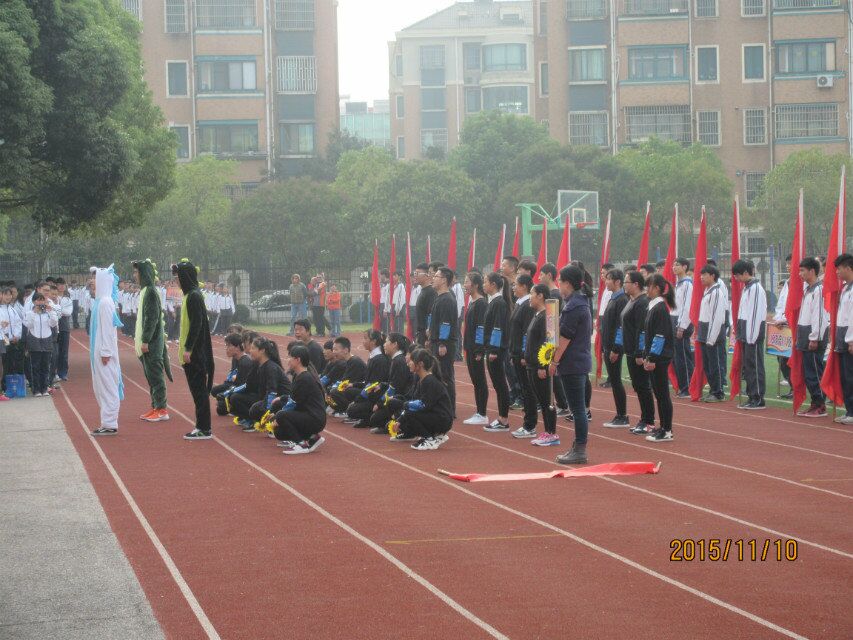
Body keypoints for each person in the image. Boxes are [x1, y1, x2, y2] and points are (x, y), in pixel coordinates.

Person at [549, 265, 592, 464]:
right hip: (578, 361)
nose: (559, 284)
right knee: (578, 408)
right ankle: (578, 447)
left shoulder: (573, 307)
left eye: (560, 281)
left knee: (578, 410)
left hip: (573, 363)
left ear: (567, 283)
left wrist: (554, 361)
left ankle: (580, 449)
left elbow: (565, 339)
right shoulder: (580, 302)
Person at [171, 260, 215, 440]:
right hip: (192, 352)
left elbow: (196, 324)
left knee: (199, 391)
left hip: (196, 353)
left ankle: (204, 428)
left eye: (179, 277)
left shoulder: (194, 296)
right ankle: (201, 426)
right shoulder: (190, 295)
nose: (177, 281)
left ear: (186, 277)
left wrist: (188, 348)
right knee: (197, 391)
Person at [131, 260, 172, 422]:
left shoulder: (151, 293)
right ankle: (155, 406)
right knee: (151, 378)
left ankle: (162, 409)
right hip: (148, 343)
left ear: (144, 274)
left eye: (137, 272)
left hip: (152, 344)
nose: (134, 275)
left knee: (156, 377)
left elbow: (152, 318)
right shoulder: (145, 291)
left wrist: (146, 340)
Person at [88, 266, 124, 436]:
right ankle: (106, 421)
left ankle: (110, 423)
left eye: (95, 278)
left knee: (108, 387)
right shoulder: (99, 301)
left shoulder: (105, 302)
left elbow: (108, 331)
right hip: (98, 352)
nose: (92, 281)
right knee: (101, 387)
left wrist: (106, 353)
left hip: (105, 354)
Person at [272, 345, 327, 454]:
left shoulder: (304, 378)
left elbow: (293, 403)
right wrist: (282, 399)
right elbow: (295, 397)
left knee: (281, 416)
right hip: (314, 416)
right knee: (279, 428)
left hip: (314, 419)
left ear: (298, 360)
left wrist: (277, 417)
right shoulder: (302, 376)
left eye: (290, 357)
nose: (288, 360)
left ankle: (301, 444)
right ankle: (313, 438)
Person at [730, 259, 769, 411]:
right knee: (748, 367)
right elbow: (743, 312)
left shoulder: (756, 289)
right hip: (745, 333)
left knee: (755, 366)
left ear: (746, 273)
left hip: (753, 334)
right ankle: (752, 395)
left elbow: (755, 314)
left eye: (737, 275)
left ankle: (758, 397)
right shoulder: (747, 288)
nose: (736, 278)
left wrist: (751, 336)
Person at [396, 349, 453, 451]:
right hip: (437, 416)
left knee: (409, 414)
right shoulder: (422, 380)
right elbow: (417, 401)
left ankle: (429, 439)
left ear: (420, 364)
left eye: (411, 361)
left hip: (443, 420)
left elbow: (424, 405)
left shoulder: (429, 381)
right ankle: (435, 436)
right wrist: (400, 420)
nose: (408, 363)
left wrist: (406, 405)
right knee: (406, 414)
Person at [641, 274, 676, 442]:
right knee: (659, 394)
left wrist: (652, 358)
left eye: (649, 286)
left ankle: (667, 429)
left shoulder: (660, 308)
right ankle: (662, 427)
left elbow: (660, 336)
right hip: (655, 356)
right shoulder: (653, 306)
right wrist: (645, 354)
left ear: (656, 288)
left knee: (662, 395)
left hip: (660, 358)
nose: (646, 289)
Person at [621, 271, 656, 434]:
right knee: (638, 386)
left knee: (643, 386)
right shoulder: (631, 300)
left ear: (636, 284)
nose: (624, 285)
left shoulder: (642, 303)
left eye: (626, 282)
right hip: (630, 350)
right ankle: (644, 419)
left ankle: (648, 421)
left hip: (637, 352)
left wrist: (639, 353)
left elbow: (642, 330)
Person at [527, 284, 560, 447]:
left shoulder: (548, 315)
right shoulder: (537, 315)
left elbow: (549, 343)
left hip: (540, 366)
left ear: (540, 296)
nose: (530, 297)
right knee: (542, 400)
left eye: (532, 293)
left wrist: (542, 365)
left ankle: (551, 433)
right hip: (532, 364)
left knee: (547, 400)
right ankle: (547, 431)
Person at [795, 257, 829, 417]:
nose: (800, 273)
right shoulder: (807, 290)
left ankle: (820, 404)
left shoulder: (819, 290)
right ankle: (815, 402)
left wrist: (814, 337)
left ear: (812, 271)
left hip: (814, 337)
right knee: (808, 373)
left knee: (815, 372)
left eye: (802, 270)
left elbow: (819, 316)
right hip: (805, 334)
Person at [483, 272, 512, 432]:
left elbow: (497, 327)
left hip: (497, 350)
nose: (483, 285)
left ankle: (503, 419)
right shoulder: (494, 302)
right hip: (492, 348)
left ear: (493, 284)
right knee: (498, 384)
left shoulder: (499, 303)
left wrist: (494, 350)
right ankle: (501, 418)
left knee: (500, 384)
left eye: (485, 282)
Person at [600, 269, 630, 427]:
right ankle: (620, 414)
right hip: (608, 345)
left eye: (609, 279)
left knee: (616, 381)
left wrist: (616, 348)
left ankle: (622, 415)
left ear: (618, 281)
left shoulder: (622, 300)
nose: (606, 281)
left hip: (614, 347)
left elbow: (620, 326)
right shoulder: (613, 298)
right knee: (614, 380)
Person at [509, 274, 537, 438]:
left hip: (523, 355)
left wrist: (524, 354)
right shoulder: (519, 304)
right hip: (516, 353)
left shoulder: (527, 306)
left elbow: (527, 332)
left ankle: (530, 425)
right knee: (525, 389)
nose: (513, 288)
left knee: (528, 390)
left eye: (516, 285)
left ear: (525, 286)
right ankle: (527, 423)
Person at [368, 333, 415, 434]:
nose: (384, 344)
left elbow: (396, 387)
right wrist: (382, 385)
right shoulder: (396, 360)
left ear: (395, 344)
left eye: (386, 342)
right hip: (397, 397)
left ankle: (395, 423)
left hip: (401, 399)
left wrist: (380, 404)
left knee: (375, 419)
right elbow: (392, 383)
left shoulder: (399, 361)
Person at [344, 330, 391, 427]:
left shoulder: (379, 360)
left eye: (365, 338)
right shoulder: (373, 357)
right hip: (370, 392)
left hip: (375, 396)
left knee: (351, 410)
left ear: (373, 341)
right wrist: (353, 384)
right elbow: (367, 382)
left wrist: (357, 400)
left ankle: (369, 417)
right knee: (348, 390)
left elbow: (374, 385)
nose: (363, 341)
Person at [428, 267, 458, 416]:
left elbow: (445, 324)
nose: (433, 278)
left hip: (444, 344)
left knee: (445, 376)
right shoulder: (439, 297)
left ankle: (450, 409)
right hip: (437, 342)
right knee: (439, 375)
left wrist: (442, 343)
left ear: (444, 280)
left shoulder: (447, 299)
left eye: (436, 276)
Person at [696, 264, 728, 403]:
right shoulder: (707, 291)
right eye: (701, 275)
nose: (701, 277)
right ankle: (713, 389)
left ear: (712, 276)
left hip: (713, 335)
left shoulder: (716, 292)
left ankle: (718, 392)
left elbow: (717, 317)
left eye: (704, 275)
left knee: (715, 364)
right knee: (708, 365)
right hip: (704, 332)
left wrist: (711, 338)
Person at [242, 337, 290, 430]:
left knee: (256, 409)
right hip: (274, 398)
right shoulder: (261, 365)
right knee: (254, 408)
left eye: (253, 348)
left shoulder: (271, 367)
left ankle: (277, 426)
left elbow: (272, 391)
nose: (250, 351)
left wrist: (268, 411)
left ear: (262, 351)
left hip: (283, 400)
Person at [462, 272, 489, 425]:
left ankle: (482, 413)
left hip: (476, 349)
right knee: (475, 381)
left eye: (467, 281)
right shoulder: (473, 302)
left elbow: (481, 328)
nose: (465, 285)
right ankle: (479, 412)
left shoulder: (481, 304)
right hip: (470, 347)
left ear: (476, 285)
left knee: (479, 380)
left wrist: (479, 350)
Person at [832, 253, 853, 424]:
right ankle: (849, 410)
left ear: (848, 268)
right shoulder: (846, 288)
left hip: (849, 338)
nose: (837, 272)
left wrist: (851, 340)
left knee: (851, 376)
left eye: (839, 269)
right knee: (845, 377)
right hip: (842, 337)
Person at [212, 333, 255, 416]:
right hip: (238, 387)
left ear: (237, 347)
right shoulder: (236, 359)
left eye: (228, 346)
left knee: (228, 401)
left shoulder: (245, 362)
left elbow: (244, 385)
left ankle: (249, 416)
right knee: (220, 406)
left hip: (249, 392)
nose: (226, 349)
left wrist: (227, 393)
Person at [25, 293, 58, 397]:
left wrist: (51, 311)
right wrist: (34, 313)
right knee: (35, 366)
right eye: (38, 300)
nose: (40, 302)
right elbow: (29, 325)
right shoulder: (29, 313)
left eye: (42, 300)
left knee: (45, 366)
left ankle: (44, 388)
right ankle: (36, 390)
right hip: (34, 340)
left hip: (47, 340)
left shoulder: (48, 313)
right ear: (34, 302)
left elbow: (53, 323)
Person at [326, 336, 367, 416]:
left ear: (345, 350)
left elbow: (345, 383)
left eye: (336, 349)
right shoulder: (347, 361)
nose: (334, 352)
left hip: (362, 391)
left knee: (334, 391)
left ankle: (347, 411)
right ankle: (336, 409)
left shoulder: (354, 362)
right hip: (355, 388)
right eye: (333, 349)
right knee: (328, 392)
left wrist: (331, 388)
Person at [671, 258, 694, 397]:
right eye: (673, 265)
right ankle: (682, 385)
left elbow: (687, 306)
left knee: (683, 357)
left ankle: (688, 387)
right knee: (677, 357)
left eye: (677, 265)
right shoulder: (678, 284)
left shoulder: (687, 284)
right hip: (674, 319)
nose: (674, 267)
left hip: (682, 322)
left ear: (685, 267)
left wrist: (681, 326)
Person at [597, 262, 615, 389]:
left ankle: (612, 378)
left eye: (604, 273)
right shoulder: (605, 289)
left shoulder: (611, 291)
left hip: (607, 320)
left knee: (608, 350)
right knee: (604, 350)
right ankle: (610, 377)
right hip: (602, 319)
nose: (602, 276)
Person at [54, 278, 73, 382]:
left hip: (64, 327)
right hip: (54, 327)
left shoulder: (67, 299)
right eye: (59, 284)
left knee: (64, 352)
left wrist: (57, 309)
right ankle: (54, 372)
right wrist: (60, 310)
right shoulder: (53, 297)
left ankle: (63, 372)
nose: (61, 286)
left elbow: (68, 312)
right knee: (55, 351)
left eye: (63, 284)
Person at [414, 264, 436, 347]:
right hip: (421, 333)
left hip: (426, 336)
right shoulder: (423, 291)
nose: (415, 276)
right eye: (415, 273)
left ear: (427, 275)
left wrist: (427, 338)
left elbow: (431, 314)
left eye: (417, 273)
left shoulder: (431, 292)